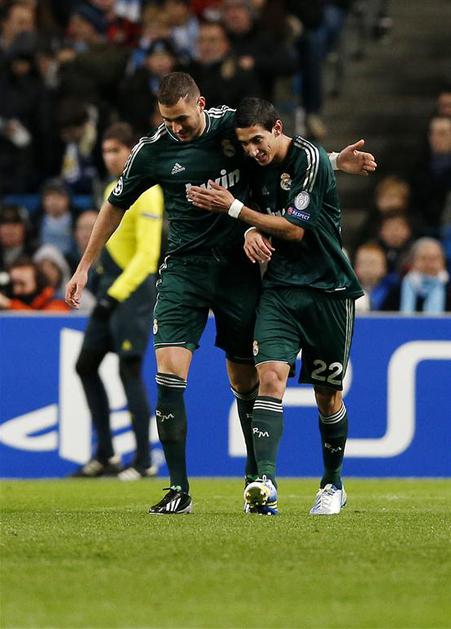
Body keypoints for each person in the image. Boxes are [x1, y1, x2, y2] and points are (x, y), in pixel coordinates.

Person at [65, 72, 376, 514]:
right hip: (184, 270)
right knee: (170, 373)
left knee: (246, 381)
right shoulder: (153, 150)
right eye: (167, 120)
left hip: (237, 270)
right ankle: (178, 489)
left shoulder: (232, 127)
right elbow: (115, 205)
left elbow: (274, 150)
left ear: (201, 104)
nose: (176, 128)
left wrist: (332, 162)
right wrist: (83, 267)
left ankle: (258, 482)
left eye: (182, 119)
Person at [187, 97, 369, 515]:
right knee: (270, 376)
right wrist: (249, 229)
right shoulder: (255, 165)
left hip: (329, 290)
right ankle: (264, 482)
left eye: (258, 141)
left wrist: (237, 212)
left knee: (327, 396)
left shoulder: (309, 157)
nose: (253, 151)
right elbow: (260, 207)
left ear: (278, 129)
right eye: (245, 144)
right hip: (280, 289)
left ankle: (332, 484)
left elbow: (294, 228)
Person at [72, 122, 164, 480]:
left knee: (129, 369)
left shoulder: (148, 192)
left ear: (131, 151)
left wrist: (115, 295)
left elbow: (147, 256)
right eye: (105, 151)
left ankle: (143, 460)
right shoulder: (114, 188)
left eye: (116, 150)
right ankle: (106, 454)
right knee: (85, 365)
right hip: (110, 292)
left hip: (133, 294)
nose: (110, 157)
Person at [382, 238, 451, 312]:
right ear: (413, 262)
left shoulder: (449, 288)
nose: (429, 264)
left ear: (443, 262)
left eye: (434, 259)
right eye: (423, 258)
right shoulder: (397, 290)